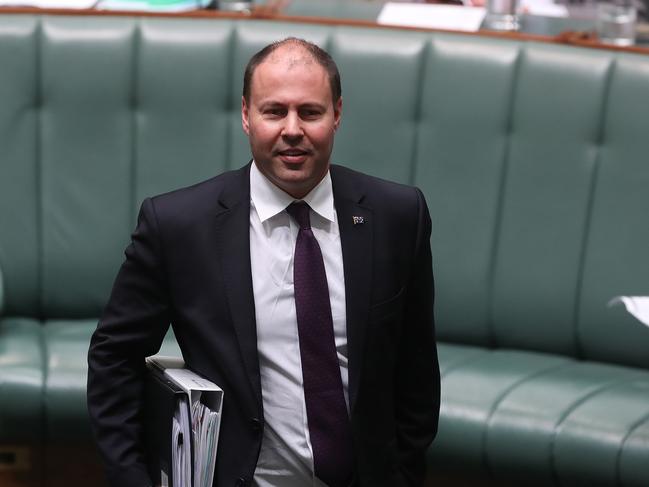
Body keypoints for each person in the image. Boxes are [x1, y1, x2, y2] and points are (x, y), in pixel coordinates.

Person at [87, 37, 440, 487]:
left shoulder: (398, 216)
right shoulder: (178, 226)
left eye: (310, 112)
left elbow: (417, 371)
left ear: (337, 114)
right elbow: (114, 358)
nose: (292, 129)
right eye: (274, 111)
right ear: (246, 116)